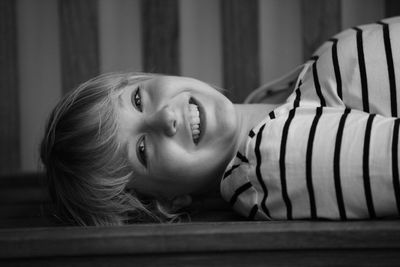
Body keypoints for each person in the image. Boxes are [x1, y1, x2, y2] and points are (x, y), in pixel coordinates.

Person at [41, 17, 400, 226]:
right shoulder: (273, 164)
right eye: (142, 149)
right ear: (168, 202)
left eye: (137, 99)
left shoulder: (274, 99)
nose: (165, 116)